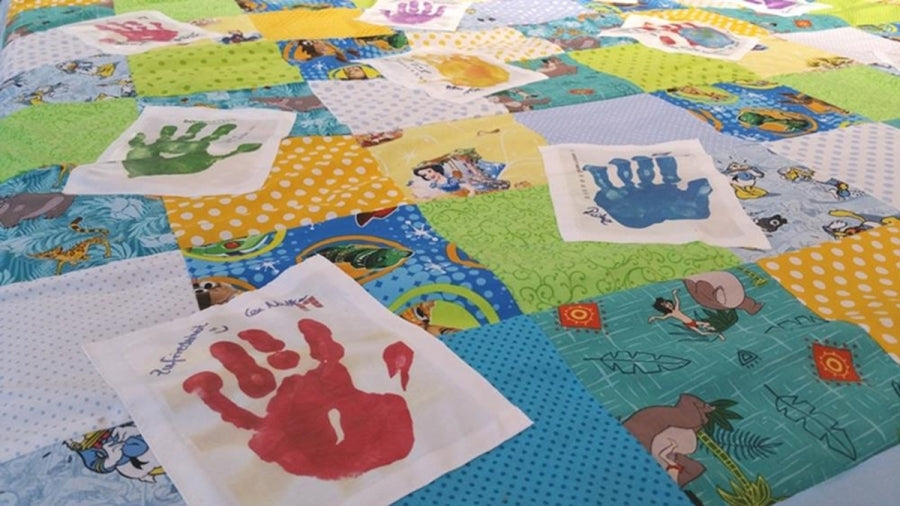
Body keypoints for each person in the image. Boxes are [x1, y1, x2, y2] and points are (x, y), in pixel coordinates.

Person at [648, 289, 725, 340]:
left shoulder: (676, 309)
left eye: (668, 304)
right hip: (689, 324)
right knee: (702, 332)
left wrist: (674, 294)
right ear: (664, 308)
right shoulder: (671, 314)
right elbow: (663, 318)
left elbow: (677, 301)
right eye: (666, 306)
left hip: (692, 321)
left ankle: (712, 329)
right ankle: (718, 334)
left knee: (707, 324)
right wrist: (654, 317)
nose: (668, 305)